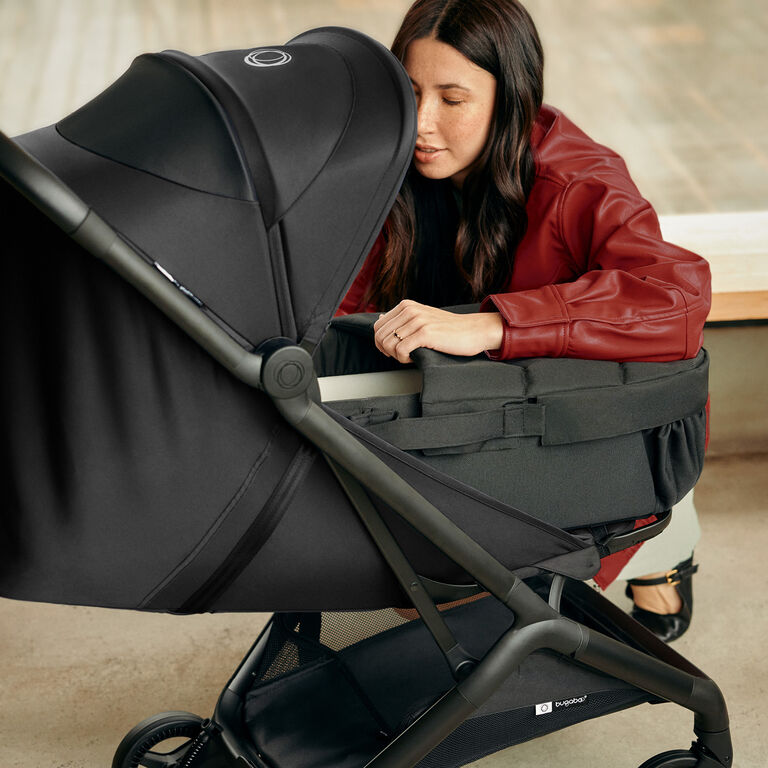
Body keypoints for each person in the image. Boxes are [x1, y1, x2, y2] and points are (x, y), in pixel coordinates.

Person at [337, 0, 707, 640]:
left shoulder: (578, 181)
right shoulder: (389, 163)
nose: (422, 122)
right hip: (462, 424)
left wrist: (495, 325)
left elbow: (675, 297)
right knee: (407, 584)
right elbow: (340, 304)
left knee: (455, 597)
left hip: (575, 435)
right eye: (410, 91)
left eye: (453, 99)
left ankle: (662, 541)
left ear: (511, 101)